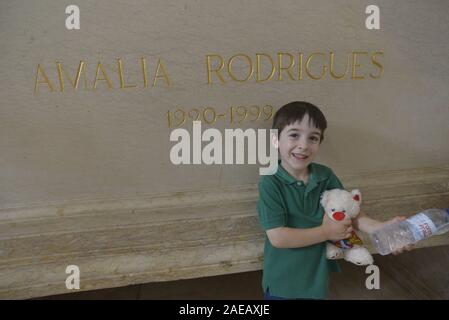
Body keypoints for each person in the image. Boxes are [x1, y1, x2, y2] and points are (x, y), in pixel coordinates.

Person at [257, 101, 412, 300]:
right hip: (283, 281)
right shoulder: (270, 182)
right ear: (275, 139)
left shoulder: (325, 175)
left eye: (313, 138)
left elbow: (351, 212)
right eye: (294, 135)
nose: (303, 145)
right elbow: (278, 237)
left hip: (316, 277)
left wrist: (380, 228)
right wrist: (325, 232)